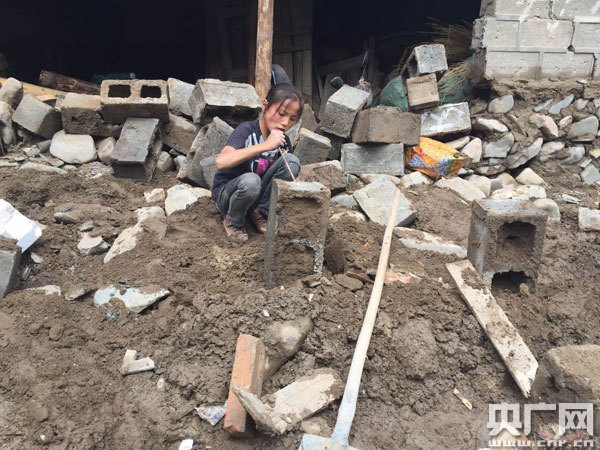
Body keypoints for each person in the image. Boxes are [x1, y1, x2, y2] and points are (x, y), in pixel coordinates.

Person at [212, 83, 303, 242]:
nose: (285, 123)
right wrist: (265, 146)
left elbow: (289, 171)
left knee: (292, 162)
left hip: (255, 195)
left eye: (292, 119)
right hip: (228, 195)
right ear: (265, 105)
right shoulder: (246, 131)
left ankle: (260, 212)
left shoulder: (283, 141)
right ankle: (233, 221)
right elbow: (221, 162)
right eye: (281, 113)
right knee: (251, 181)